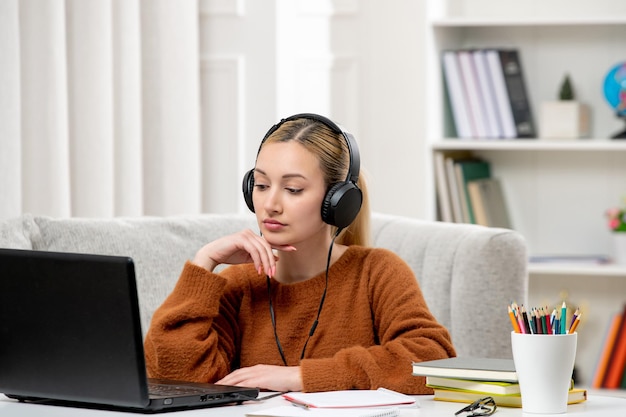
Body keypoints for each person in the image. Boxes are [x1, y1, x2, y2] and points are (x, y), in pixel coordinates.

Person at [143, 113, 456, 394]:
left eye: (293, 189)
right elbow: (175, 380)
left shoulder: (376, 272)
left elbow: (432, 361)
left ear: (337, 201)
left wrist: (303, 377)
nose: (271, 204)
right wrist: (204, 262)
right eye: (262, 185)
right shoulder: (239, 286)